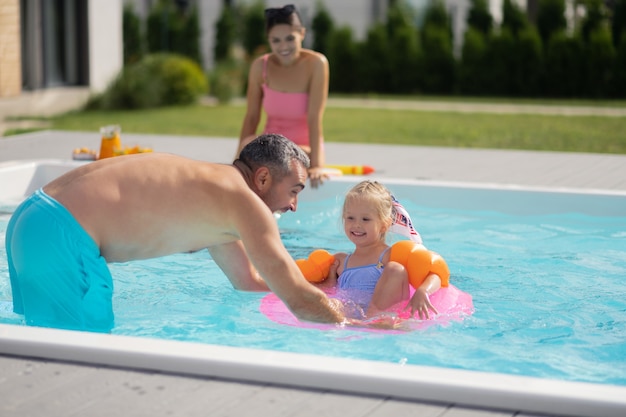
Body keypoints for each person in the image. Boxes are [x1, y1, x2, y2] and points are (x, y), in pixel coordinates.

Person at [5, 134, 348, 333]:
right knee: (81, 356)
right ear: (262, 179)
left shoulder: (219, 197)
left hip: (30, 218)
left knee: (43, 345)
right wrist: (359, 325)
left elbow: (250, 282)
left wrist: (323, 286)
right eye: (295, 190)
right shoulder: (246, 204)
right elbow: (297, 301)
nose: (295, 205)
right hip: (61, 235)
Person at [317, 180, 443, 320]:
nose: (356, 224)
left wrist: (423, 291)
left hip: (381, 315)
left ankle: (374, 320)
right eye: (350, 218)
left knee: (396, 269)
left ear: (384, 225)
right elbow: (326, 291)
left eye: (365, 219)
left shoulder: (390, 256)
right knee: (331, 303)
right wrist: (329, 281)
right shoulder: (340, 262)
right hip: (350, 314)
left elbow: (435, 273)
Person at [237, 4, 329, 188]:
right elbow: (252, 116)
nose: (283, 46)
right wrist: (238, 162)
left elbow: (314, 118)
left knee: (285, 160)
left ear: (302, 34)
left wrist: (317, 165)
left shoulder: (316, 64)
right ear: (268, 40)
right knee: (249, 145)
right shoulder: (260, 67)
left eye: (289, 38)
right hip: (269, 147)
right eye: (276, 40)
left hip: (303, 148)